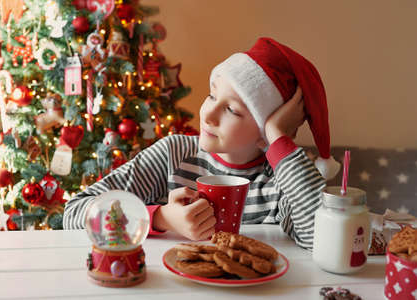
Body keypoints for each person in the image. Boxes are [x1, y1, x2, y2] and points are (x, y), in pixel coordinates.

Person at [63, 37, 340, 250]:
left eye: (231, 110)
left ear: (263, 133)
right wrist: (160, 218)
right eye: (211, 96)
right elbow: (75, 213)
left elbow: (322, 240)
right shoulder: (174, 154)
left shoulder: (281, 179)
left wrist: (277, 135)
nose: (207, 113)